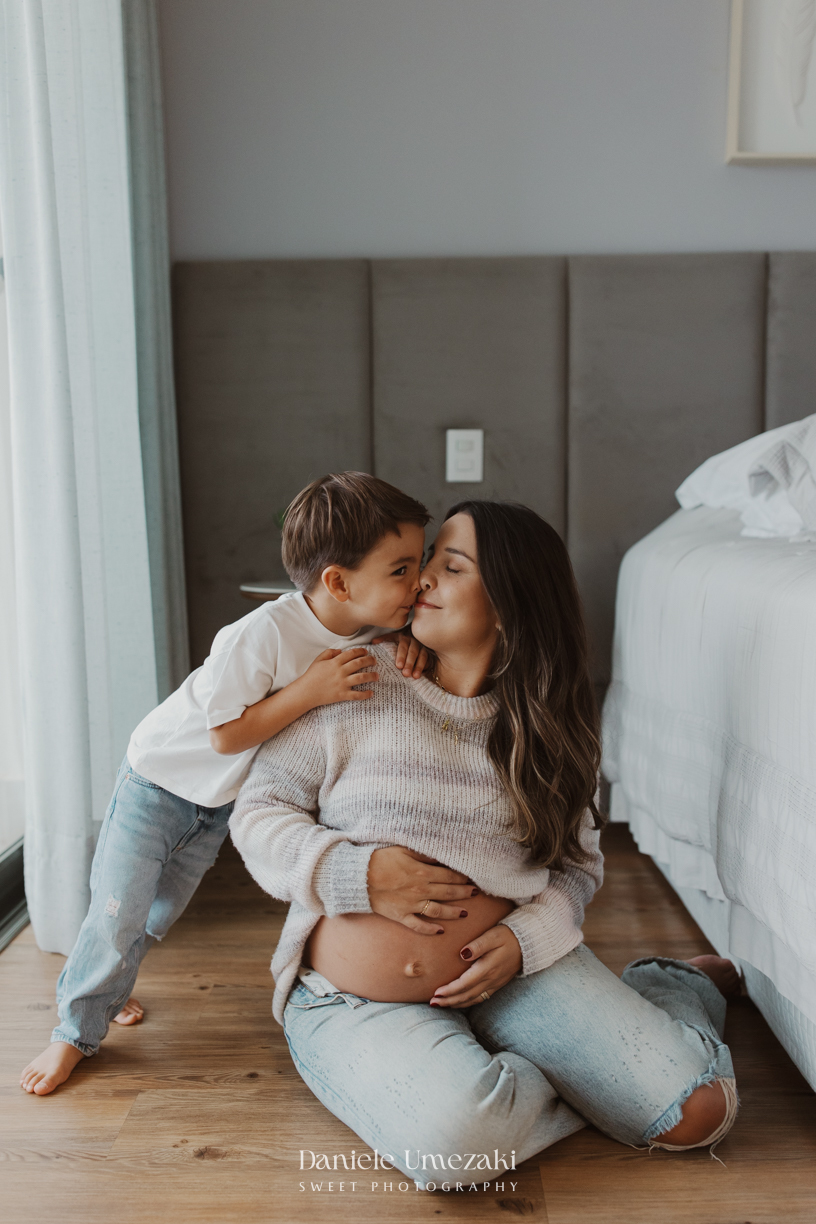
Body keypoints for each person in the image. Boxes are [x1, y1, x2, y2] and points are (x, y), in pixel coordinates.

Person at [230, 501, 739, 1185]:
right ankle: (548, 1076)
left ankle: (669, 987)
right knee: (457, 1153)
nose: (423, 580)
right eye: (427, 560)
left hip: (518, 978)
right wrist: (360, 874)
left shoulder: (547, 729)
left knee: (699, 1114)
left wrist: (527, 940)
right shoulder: (355, 679)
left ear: (509, 602)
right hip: (358, 1001)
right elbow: (259, 811)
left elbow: (579, 867)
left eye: (452, 566)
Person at [20, 472, 430, 1096]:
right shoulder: (262, 633)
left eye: (421, 564)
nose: (419, 582)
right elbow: (224, 737)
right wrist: (307, 692)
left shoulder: (368, 630)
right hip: (158, 784)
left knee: (155, 916)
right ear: (339, 583)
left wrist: (410, 644)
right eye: (401, 570)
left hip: (217, 806)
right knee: (117, 910)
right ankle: (74, 1031)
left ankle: (109, 989)